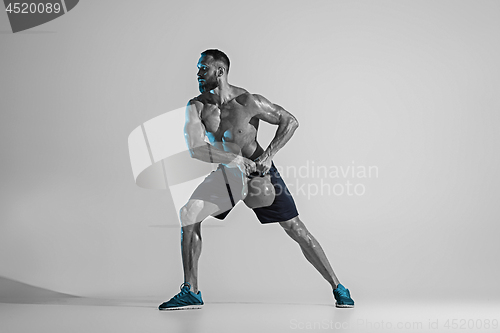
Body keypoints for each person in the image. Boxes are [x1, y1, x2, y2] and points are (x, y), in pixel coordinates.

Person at [158, 49, 354, 310]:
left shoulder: (248, 102)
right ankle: (191, 290)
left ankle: (338, 286)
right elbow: (195, 148)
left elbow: (290, 121)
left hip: (259, 172)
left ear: (220, 71)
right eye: (197, 69)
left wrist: (270, 154)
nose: (198, 73)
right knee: (189, 214)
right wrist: (234, 160)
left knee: (295, 228)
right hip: (228, 172)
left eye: (203, 68)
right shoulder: (197, 106)